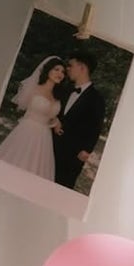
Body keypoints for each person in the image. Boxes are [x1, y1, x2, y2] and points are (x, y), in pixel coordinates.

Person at [0, 55, 66, 180]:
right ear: (48, 70)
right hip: (28, 131)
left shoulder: (58, 96)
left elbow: (50, 115)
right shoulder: (34, 89)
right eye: (56, 69)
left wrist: (56, 122)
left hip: (45, 137)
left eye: (63, 72)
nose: (60, 74)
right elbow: (25, 108)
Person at [52, 50, 107, 190]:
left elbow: (96, 127)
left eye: (71, 65)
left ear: (82, 68)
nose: (67, 69)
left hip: (72, 155)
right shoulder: (65, 89)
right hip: (50, 146)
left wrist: (86, 150)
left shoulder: (96, 98)